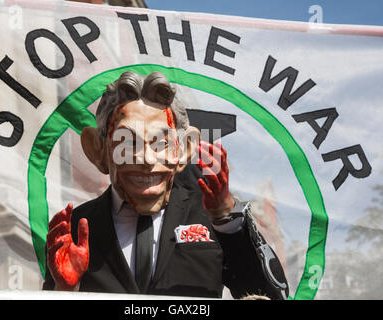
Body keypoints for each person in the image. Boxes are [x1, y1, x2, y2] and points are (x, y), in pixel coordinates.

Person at [42, 71, 289, 299]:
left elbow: (270, 295)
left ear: (185, 150)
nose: (148, 160)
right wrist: (66, 291)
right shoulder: (75, 228)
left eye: (161, 144)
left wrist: (226, 218)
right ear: (98, 150)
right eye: (127, 144)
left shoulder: (211, 219)